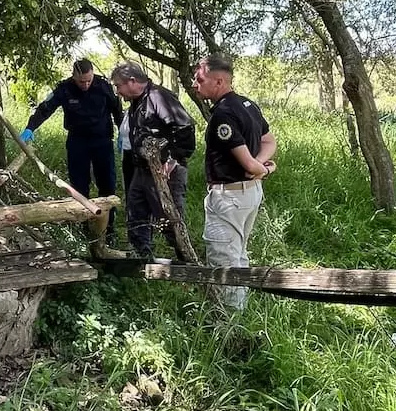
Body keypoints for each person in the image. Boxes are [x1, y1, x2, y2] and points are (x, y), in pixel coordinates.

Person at [193, 53, 277, 311]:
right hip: (249, 193)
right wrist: (263, 164)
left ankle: (229, 321)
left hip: (229, 196)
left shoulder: (223, 115)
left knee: (224, 260)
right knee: (238, 253)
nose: (195, 84)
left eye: (200, 79)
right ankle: (240, 308)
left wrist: (260, 168)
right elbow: (269, 142)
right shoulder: (247, 104)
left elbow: (248, 164)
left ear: (219, 82)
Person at [19, 58, 123, 238]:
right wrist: (30, 127)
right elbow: (45, 108)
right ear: (74, 77)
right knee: (79, 186)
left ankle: (108, 230)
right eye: (82, 81)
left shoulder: (104, 86)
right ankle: (82, 228)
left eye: (89, 80)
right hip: (77, 142)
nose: (86, 84)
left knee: (107, 184)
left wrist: (123, 132)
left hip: (102, 141)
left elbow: (117, 110)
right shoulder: (64, 88)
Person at [110, 61, 196, 261]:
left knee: (168, 219)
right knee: (136, 212)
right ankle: (142, 261)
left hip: (165, 172)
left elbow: (184, 129)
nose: (117, 91)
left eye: (118, 86)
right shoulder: (137, 102)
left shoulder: (158, 97)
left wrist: (173, 158)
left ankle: (188, 264)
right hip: (142, 169)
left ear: (132, 81)